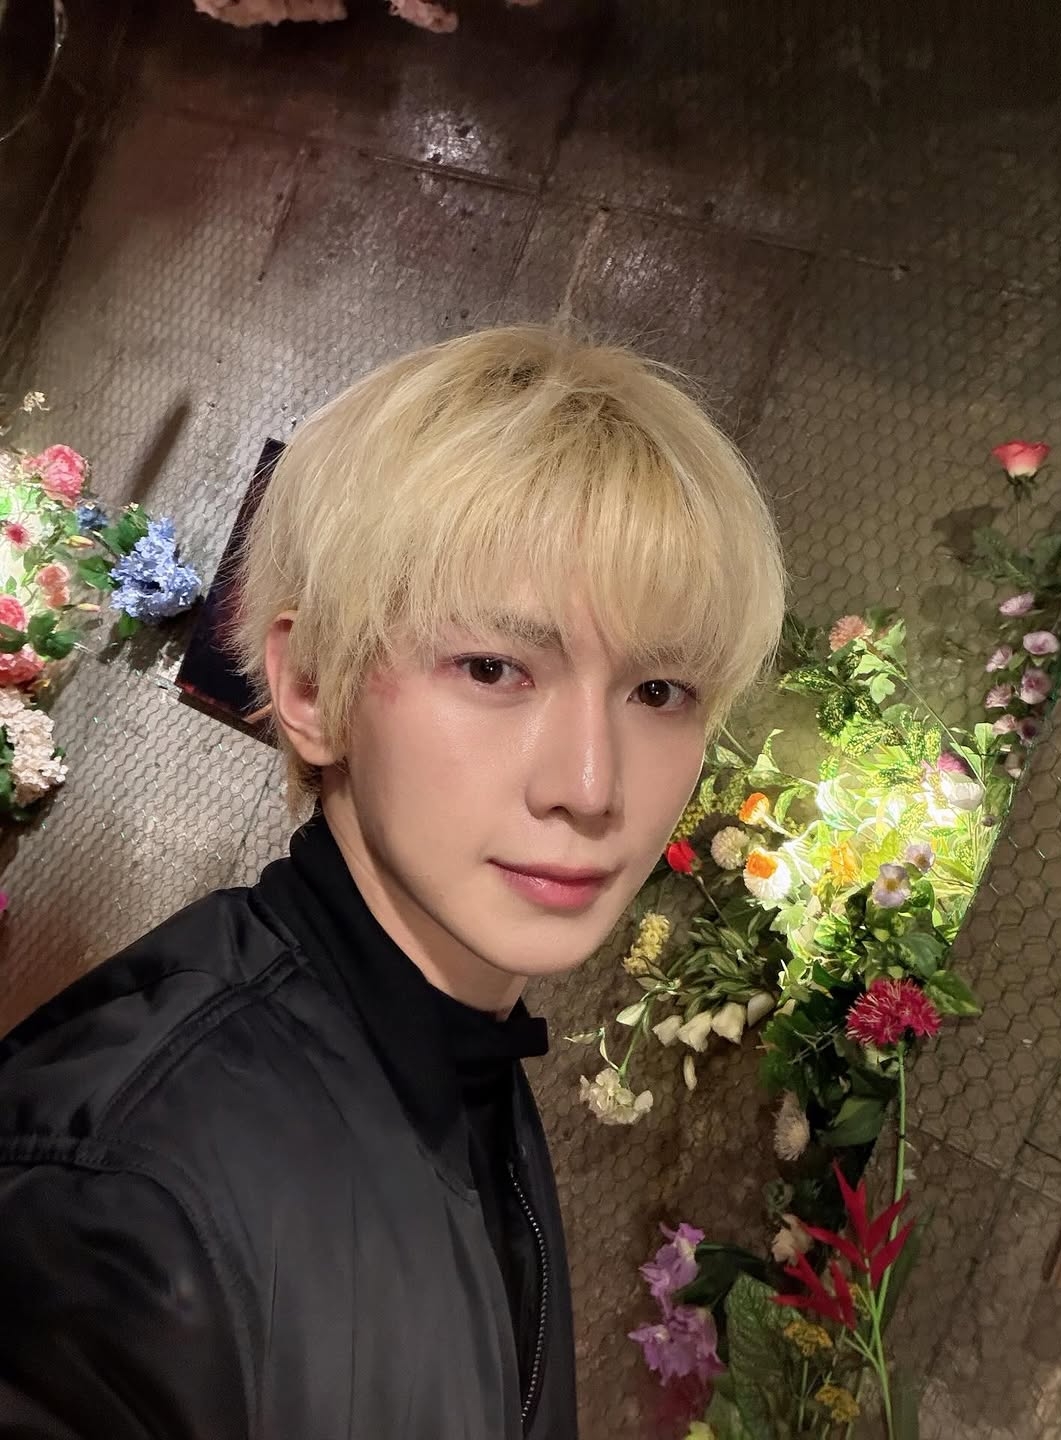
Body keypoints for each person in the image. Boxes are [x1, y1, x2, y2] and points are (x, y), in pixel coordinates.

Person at [0, 326, 784, 1438]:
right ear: (311, 688)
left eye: (659, 692)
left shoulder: (465, 1061)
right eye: (494, 668)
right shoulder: (121, 1201)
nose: (590, 786)